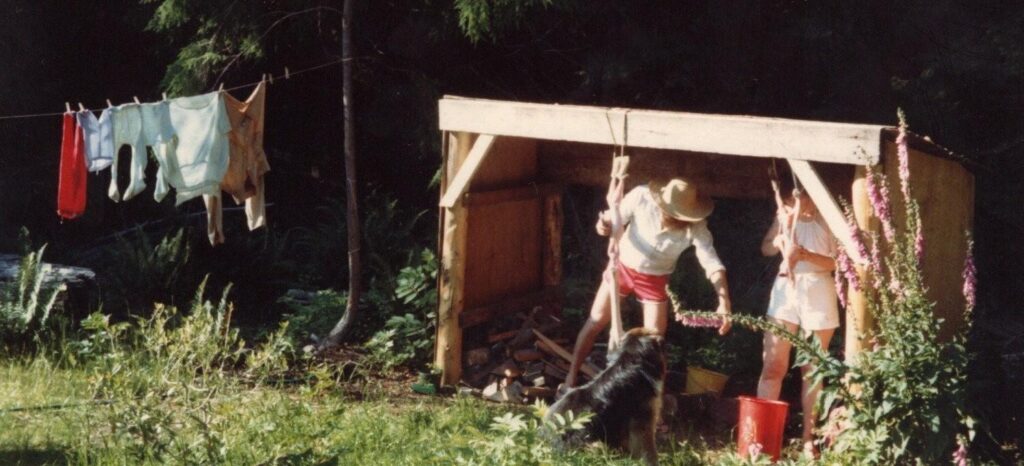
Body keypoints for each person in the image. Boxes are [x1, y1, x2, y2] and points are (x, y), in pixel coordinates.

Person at [564, 178, 733, 389]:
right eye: (672, 212)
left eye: (681, 215)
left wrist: (723, 301)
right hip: (622, 267)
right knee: (596, 320)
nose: (675, 218)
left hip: (655, 278)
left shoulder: (696, 226)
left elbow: (711, 261)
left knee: (655, 343)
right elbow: (612, 218)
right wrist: (604, 225)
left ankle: (651, 396)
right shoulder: (641, 196)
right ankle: (570, 377)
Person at [756, 188, 839, 458]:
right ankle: (763, 439)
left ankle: (808, 440)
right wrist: (781, 239)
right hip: (785, 291)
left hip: (818, 291)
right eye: (793, 197)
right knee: (773, 365)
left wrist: (802, 254)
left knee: (811, 369)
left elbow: (838, 262)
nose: (795, 201)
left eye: (801, 195)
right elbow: (766, 248)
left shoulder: (829, 217)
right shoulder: (784, 214)